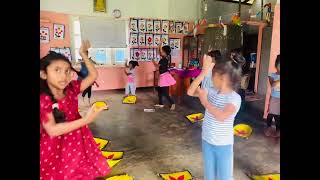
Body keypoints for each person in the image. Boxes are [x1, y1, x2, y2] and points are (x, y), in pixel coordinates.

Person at [40, 40, 111, 180]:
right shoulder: (43, 98)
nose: (63, 76)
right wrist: (87, 119)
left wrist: (83, 54)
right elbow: (52, 130)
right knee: (59, 172)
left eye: (67, 71)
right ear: (44, 74)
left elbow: (93, 76)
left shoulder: (71, 88)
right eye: (57, 70)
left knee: (77, 169)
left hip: (77, 139)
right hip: (55, 145)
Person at [187, 54, 242, 180]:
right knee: (209, 176)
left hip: (223, 145)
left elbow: (222, 116)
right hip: (207, 140)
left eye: (212, 75)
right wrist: (203, 72)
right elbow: (190, 91)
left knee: (225, 177)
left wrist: (205, 102)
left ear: (222, 78)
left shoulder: (234, 98)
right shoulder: (211, 90)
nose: (211, 78)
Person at [152, 43, 176, 110]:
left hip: (164, 77)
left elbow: (157, 67)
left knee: (165, 92)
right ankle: (160, 104)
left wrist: (153, 61)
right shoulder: (164, 57)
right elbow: (158, 51)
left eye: (162, 51)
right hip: (162, 76)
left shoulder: (163, 60)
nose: (161, 52)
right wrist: (160, 43)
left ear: (165, 53)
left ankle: (173, 103)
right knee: (159, 91)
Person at [264, 54, 280, 137]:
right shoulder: (272, 75)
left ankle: (278, 130)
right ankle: (268, 128)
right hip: (274, 98)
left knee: (278, 116)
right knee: (270, 114)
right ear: (276, 65)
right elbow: (272, 85)